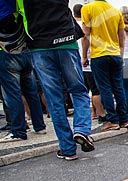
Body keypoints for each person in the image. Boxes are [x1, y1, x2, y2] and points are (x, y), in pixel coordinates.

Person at [16, 0, 94, 160]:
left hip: (39, 45)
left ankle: (67, 148)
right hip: (66, 40)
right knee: (79, 91)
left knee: (54, 99)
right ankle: (81, 129)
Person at [0, 0, 46, 143]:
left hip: (6, 52)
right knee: (31, 90)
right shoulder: (18, 5)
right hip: (25, 49)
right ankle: (39, 125)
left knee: (12, 93)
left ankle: (18, 130)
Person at [82, 0, 128, 131]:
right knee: (118, 87)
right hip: (115, 54)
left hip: (99, 54)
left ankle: (113, 120)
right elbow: (121, 36)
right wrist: (121, 55)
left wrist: (85, 56)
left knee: (105, 88)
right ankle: (123, 119)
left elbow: (86, 34)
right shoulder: (115, 11)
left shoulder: (88, 9)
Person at [73, 3, 105, 124]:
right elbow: (86, 40)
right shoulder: (87, 25)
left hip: (79, 62)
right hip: (90, 60)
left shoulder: (73, 26)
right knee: (96, 90)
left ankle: (90, 113)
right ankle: (100, 113)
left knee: (83, 91)